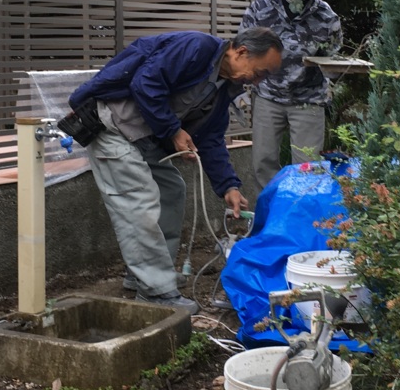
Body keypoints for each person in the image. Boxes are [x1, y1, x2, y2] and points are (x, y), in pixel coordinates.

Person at [65, 27, 283, 314]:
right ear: (241, 52)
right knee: (138, 198)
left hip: (144, 136)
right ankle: (155, 293)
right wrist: (174, 131)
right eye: (260, 72)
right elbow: (146, 83)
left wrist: (229, 186)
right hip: (113, 126)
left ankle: (147, 274)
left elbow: (212, 137)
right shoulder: (198, 48)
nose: (258, 81)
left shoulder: (225, 86)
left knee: (171, 189)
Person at [238, 0, 343, 190]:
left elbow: (333, 55)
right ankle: (269, 218)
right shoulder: (259, 9)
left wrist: (332, 70)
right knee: (263, 164)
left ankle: (303, 221)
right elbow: (243, 50)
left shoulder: (325, 16)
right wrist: (242, 90)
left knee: (308, 168)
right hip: (268, 95)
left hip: (308, 99)